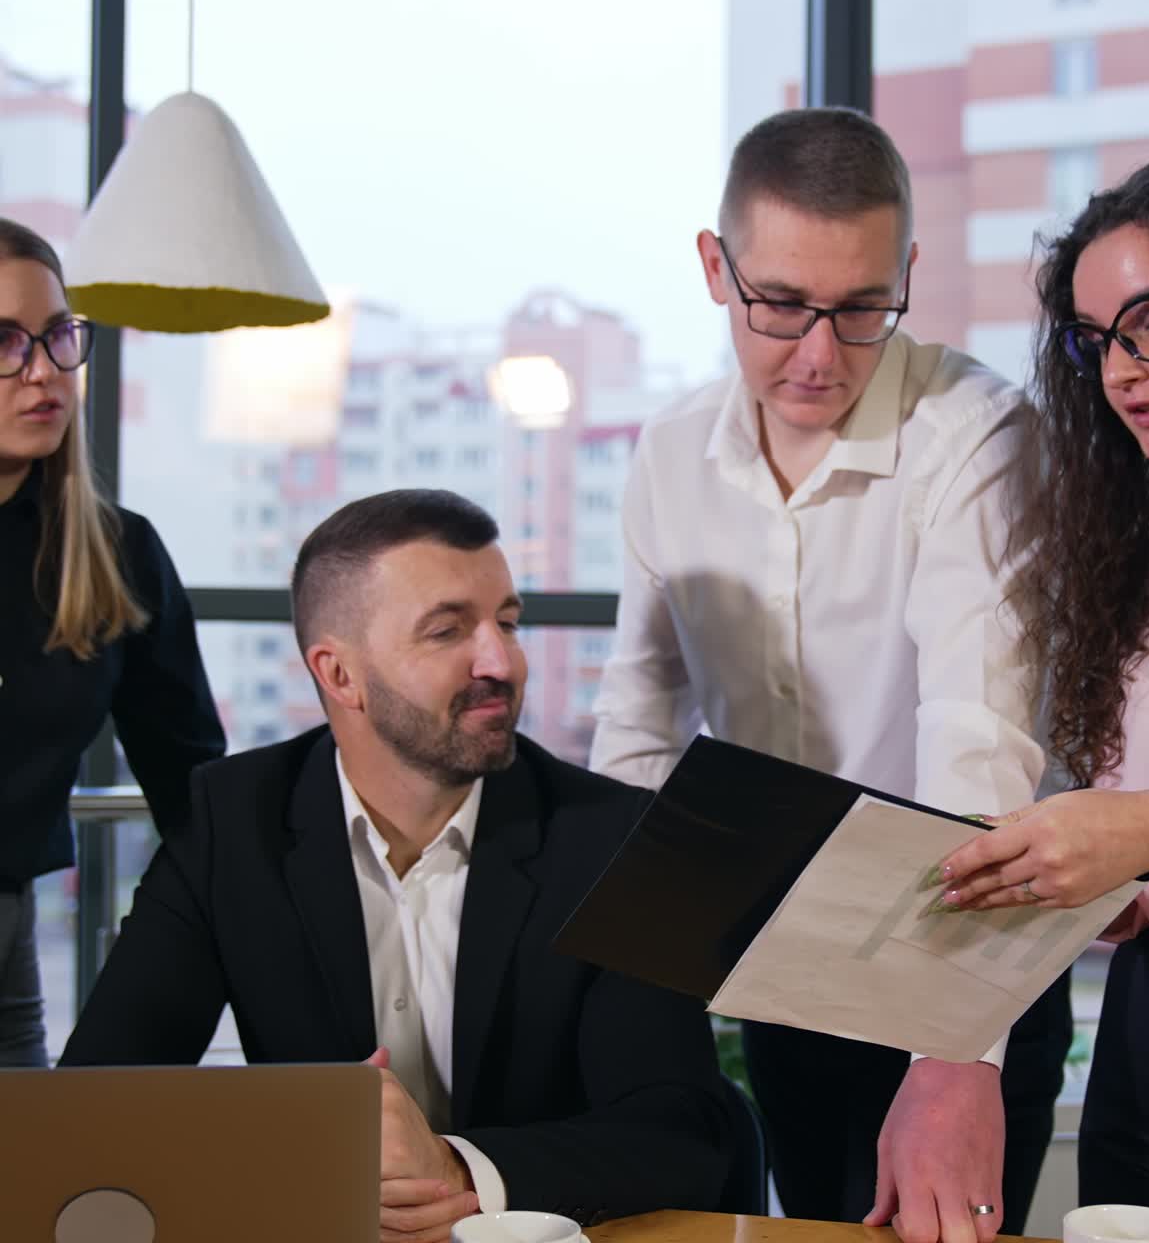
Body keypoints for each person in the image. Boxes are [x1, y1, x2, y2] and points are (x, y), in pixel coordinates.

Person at [588, 106, 1068, 1243]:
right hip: (782, 953)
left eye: (861, 310)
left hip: (970, 949)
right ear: (715, 267)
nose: (817, 353)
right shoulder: (666, 456)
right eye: (781, 305)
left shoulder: (978, 434)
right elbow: (636, 730)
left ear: (905, 272)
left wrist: (954, 1048)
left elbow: (977, 740)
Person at [60, 489, 731, 1238]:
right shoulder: (231, 822)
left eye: (507, 623)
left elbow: (681, 1132)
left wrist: (459, 1169)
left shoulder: (609, 837)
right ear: (339, 675)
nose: (500, 661)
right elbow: (97, 1102)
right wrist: (309, 1150)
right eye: (448, 631)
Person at [931, 154, 1149, 1242]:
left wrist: (1129, 828)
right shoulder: (1136, 534)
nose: (1119, 369)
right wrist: (1116, 878)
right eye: (1094, 341)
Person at [0, 217, 224, 1067]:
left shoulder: (116, 553)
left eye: (57, 336)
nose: (43, 371)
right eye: (5, 341)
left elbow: (193, 787)